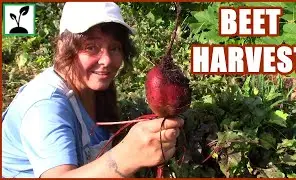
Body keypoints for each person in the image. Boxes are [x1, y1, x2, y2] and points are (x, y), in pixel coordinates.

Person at [2, 2, 183, 178]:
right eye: (91, 47)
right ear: (62, 47)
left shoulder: (94, 89)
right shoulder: (44, 107)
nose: (106, 60)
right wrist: (126, 156)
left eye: (114, 48)